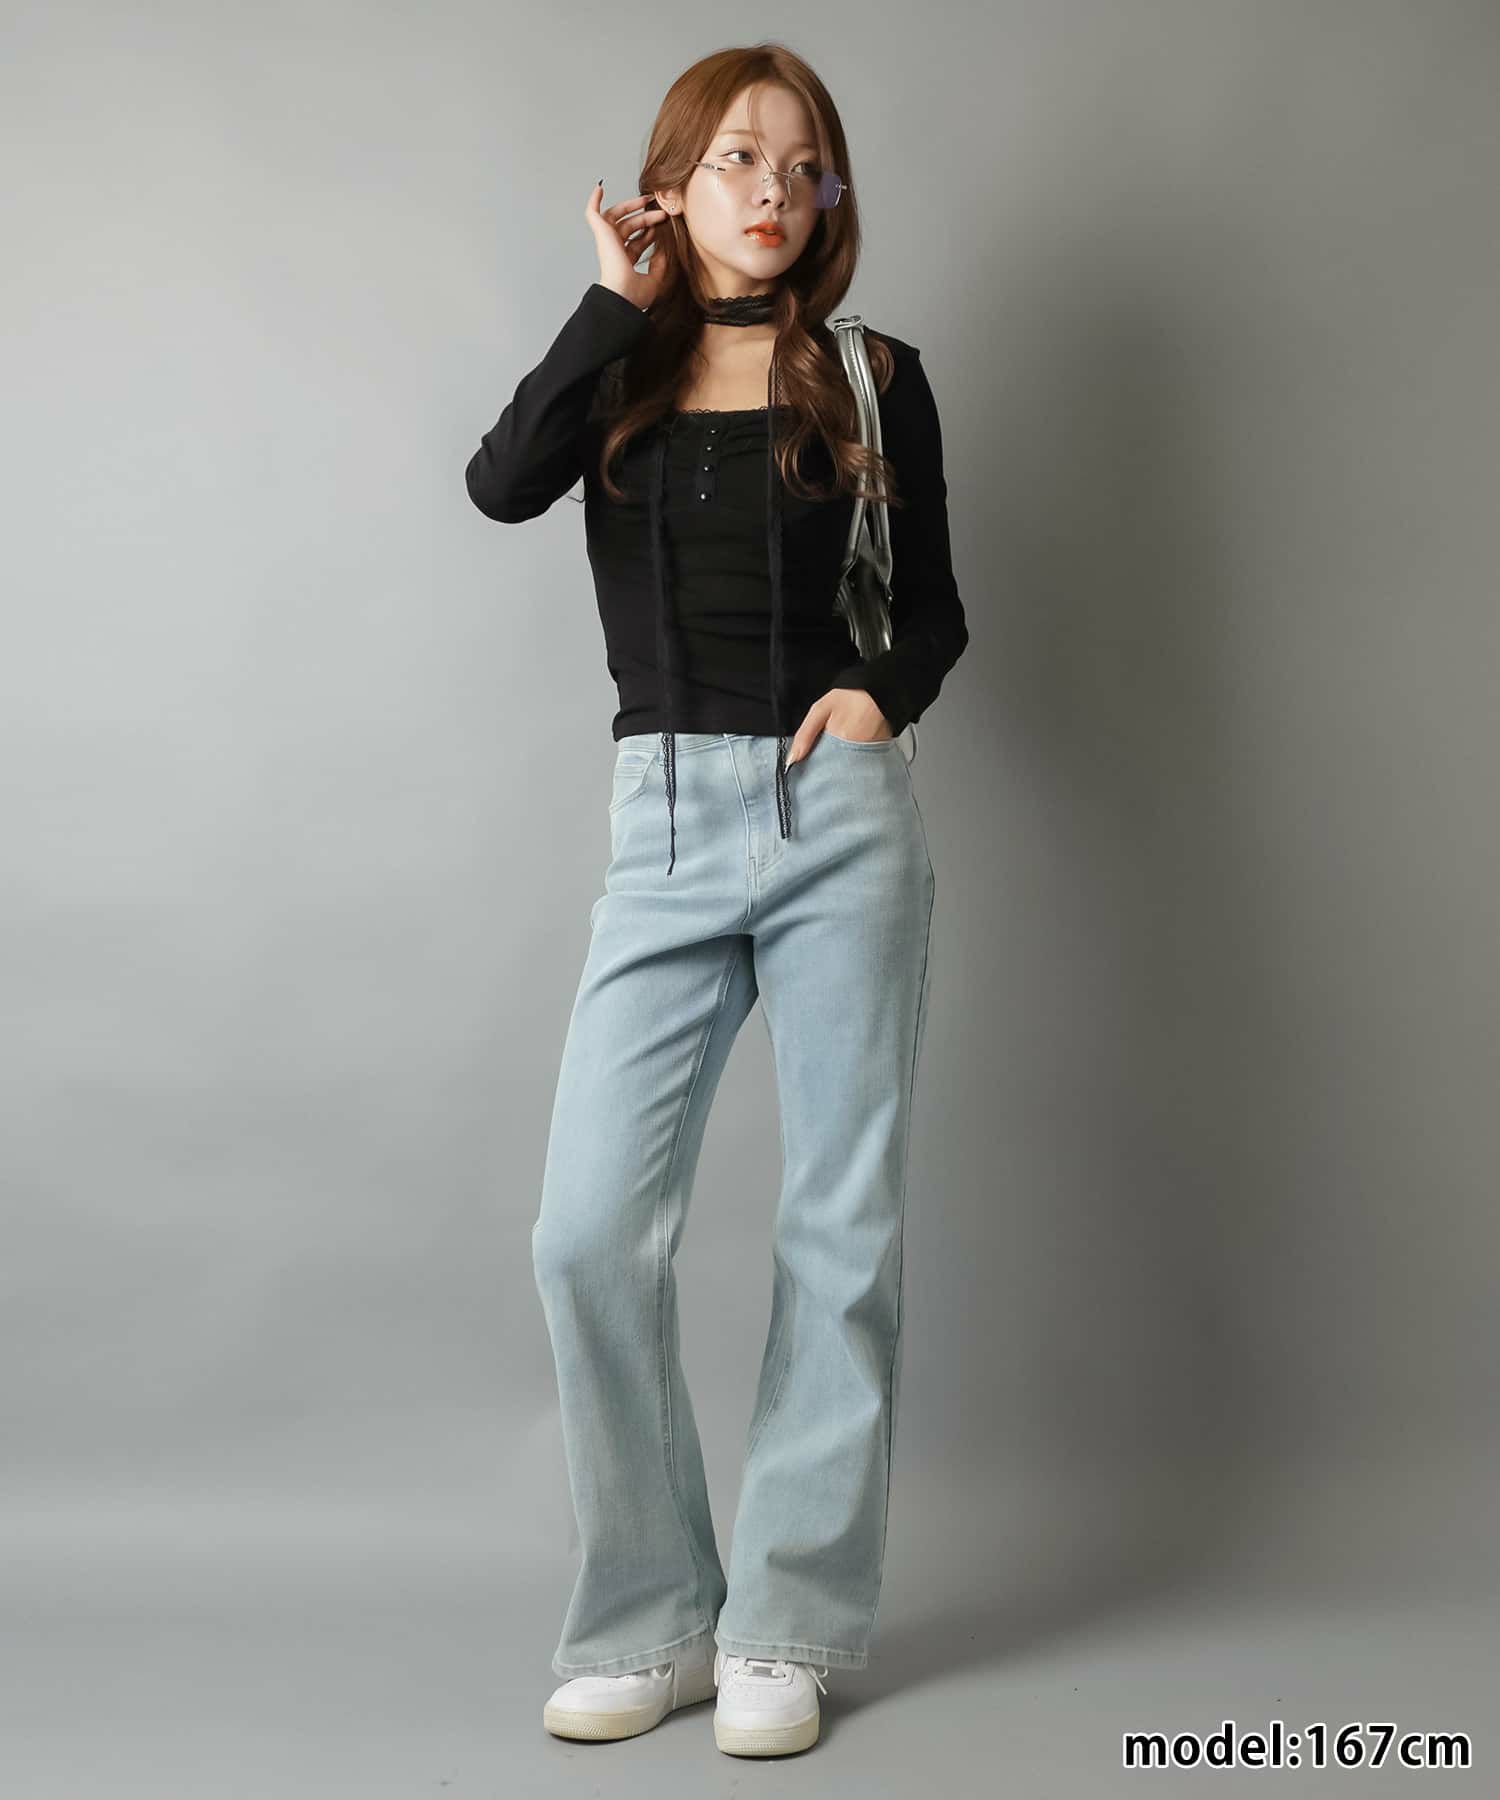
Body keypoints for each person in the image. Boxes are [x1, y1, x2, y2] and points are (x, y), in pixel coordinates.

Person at [464, 44, 968, 1758]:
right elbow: (500, 482)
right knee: (587, 1232)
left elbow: (938, 610)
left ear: (829, 198)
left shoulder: (876, 377)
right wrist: (612, 302)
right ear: (671, 184)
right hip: (665, 821)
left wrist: (879, 696)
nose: (773, 189)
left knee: (840, 1229)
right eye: (738, 158)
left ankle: (789, 1626)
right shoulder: (616, 372)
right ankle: (653, 1618)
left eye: (803, 164)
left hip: (841, 818)